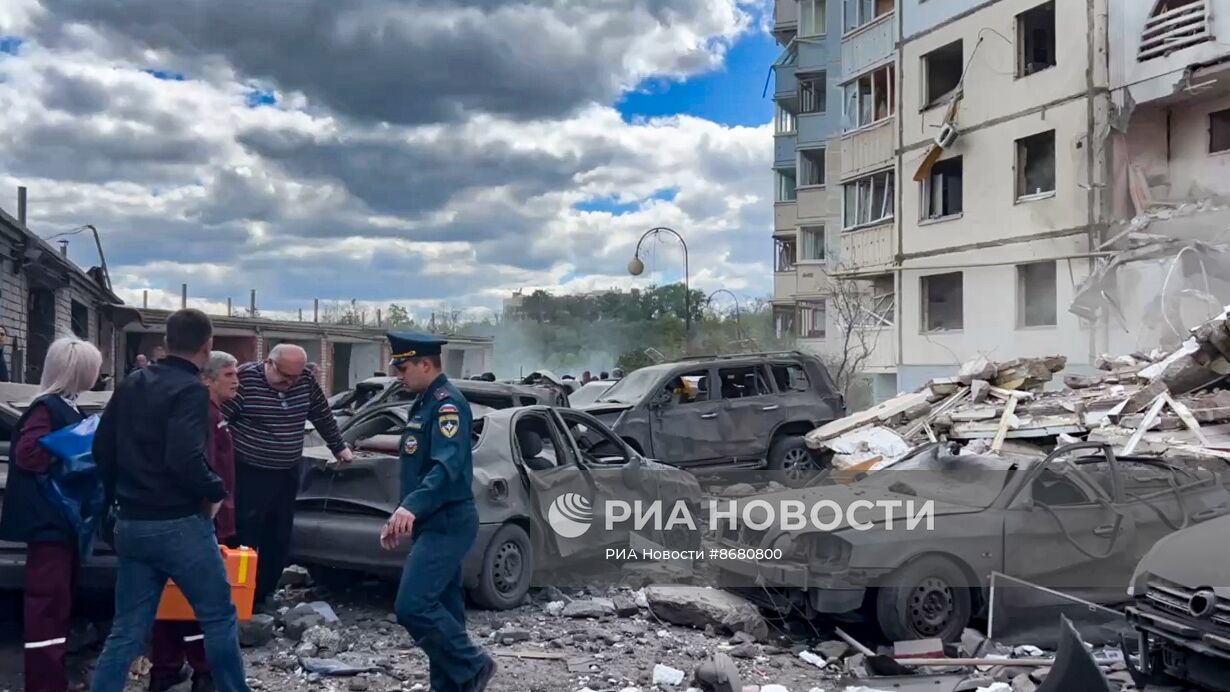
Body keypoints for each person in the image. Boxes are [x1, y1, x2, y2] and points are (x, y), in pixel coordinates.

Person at [91, 310, 247, 692]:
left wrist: (117, 499)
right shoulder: (192, 390)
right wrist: (215, 490)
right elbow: (183, 458)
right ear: (208, 345)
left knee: (127, 629)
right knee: (218, 617)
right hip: (179, 525)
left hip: (132, 522)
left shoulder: (132, 384)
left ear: (166, 340)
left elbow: (101, 449)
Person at [382, 332, 495, 692]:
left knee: (412, 606)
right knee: (445, 612)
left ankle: (474, 665)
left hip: (449, 521)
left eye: (402, 367)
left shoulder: (448, 405)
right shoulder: (424, 402)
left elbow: (445, 469)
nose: (398, 375)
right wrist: (401, 513)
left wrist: (410, 507)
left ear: (425, 364)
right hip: (433, 521)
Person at [0, 336, 102, 692]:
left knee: (57, 603)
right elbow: (29, 454)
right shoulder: (47, 408)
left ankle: (52, 677)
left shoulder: (66, 407)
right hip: (50, 522)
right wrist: (73, 454)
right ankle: (44, 684)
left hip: (61, 522)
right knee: (46, 604)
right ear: (78, 369)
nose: (97, 373)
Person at [224, 344, 352, 605]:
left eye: (296, 377)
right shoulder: (245, 379)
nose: (290, 383)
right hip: (249, 472)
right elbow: (219, 419)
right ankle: (238, 597)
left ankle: (264, 594)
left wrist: (339, 447)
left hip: (286, 473)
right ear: (269, 363)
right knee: (245, 536)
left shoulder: (304, 380)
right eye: (284, 376)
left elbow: (322, 414)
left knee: (278, 538)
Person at [148, 351, 240, 692]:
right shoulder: (202, 415)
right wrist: (212, 520)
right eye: (229, 374)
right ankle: (199, 671)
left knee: (179, 599)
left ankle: (169, 668)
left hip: (206, 519)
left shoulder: (215, 413)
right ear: (207, 379)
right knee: (201, 603)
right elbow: (203, 471)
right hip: (201, 522)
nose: (236, 381)